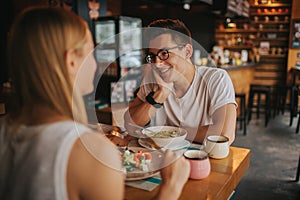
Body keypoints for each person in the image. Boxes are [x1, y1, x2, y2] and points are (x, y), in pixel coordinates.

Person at [0, 7, 190, 200]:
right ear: (72, 62)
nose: (97, 61)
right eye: (92, 50)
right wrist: (171, 187)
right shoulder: (93, 153)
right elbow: (131, 122)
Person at [124, 19, 237, 145]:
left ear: (187, 51)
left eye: (164, 53)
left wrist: (172, 134)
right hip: (158, 158)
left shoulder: (216, 79)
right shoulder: (153, 79)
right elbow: (130, 124)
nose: (157, 63)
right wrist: (159, 96)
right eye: (153, 56)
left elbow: (224, 134)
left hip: (201, 160)